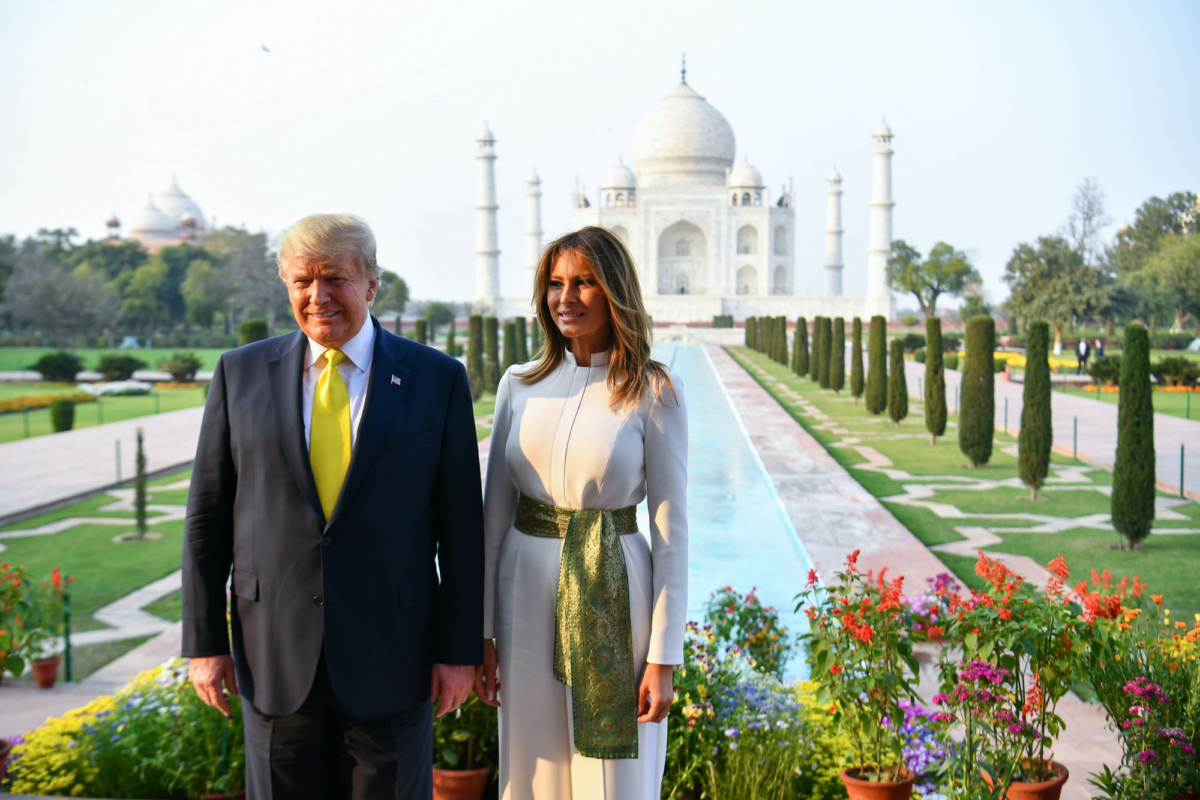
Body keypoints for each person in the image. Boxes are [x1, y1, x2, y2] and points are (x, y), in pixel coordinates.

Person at [182, 214, 483, 800]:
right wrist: (204, 642)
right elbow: (207, 518)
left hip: (394, 659)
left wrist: (458, 651)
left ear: (372, 283)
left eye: (334, 279)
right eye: (301, 281)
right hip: (274, 657)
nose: (317, 296)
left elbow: (462, 529)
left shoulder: (434, 379)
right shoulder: (239, 374)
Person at [476, 226, 688, 800]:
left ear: (615, 290)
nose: (565, 297)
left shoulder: (651, 388)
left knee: (612, 772)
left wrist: (664, 658)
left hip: (613, 585)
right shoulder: (520, 384)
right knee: (532, 760)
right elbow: (493, 517)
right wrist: (483, 635)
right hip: (525, 587)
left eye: (584, 282)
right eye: (555, 284)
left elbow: (672, 533)